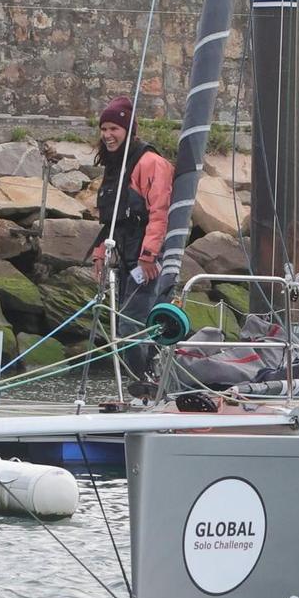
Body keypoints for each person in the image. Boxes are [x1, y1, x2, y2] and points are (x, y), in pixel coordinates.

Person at [89, 95, 173, 391]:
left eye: (114, 129)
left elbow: (159, 211)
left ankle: (148, 381)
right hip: (125, 255)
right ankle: (146, 383)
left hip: (147, 258)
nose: (108, 135)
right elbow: (111, 220)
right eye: (104, 129)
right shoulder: (116, 166)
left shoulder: (151, 163)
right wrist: (100, 254)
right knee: (126, 323)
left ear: (129, 131)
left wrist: (149, 255)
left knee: (129, 326)